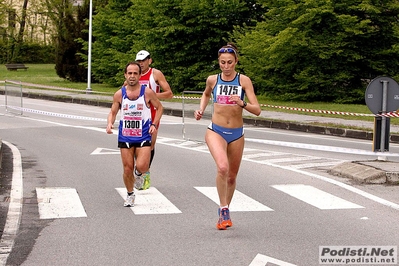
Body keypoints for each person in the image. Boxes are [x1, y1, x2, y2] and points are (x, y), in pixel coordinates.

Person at [194, 43, 261, 230]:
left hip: (237, 134)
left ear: (236, 62)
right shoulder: (212, 80)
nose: (226, 66)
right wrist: (201, 109)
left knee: (231, 177)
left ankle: (225, 210)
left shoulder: (244, 81)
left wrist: (242, 103)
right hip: (216, 130)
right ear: (218, 62)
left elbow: (257, 110)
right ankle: (224, 209)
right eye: (222, 62)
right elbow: (205, 95)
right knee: (222, 167)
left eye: (230, 62)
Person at [107, 61, 164, 207]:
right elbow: (113, 111)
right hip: (126, 135)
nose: (132, 76)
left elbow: (159, 108)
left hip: (143, 134)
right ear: (125, 75)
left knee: (142, 166)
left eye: (135, 73)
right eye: (129, 73)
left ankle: (139, 174)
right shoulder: (119, 94)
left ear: (139, 75)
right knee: (127, 168)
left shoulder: (147, 92)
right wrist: (109, 123)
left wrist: (153, 124)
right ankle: (130, 194)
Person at [134, 50, 173, 190]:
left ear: (150, 60)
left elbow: (169, 93)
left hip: (152, 114)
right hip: (136, 114)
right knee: (135, 145)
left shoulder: (156, 74)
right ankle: (139, 169)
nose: (141, 63)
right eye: (139, 61)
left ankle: (145, 174)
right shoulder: (134, 73)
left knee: (149, 145)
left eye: (144, 60)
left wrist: (152, 95)